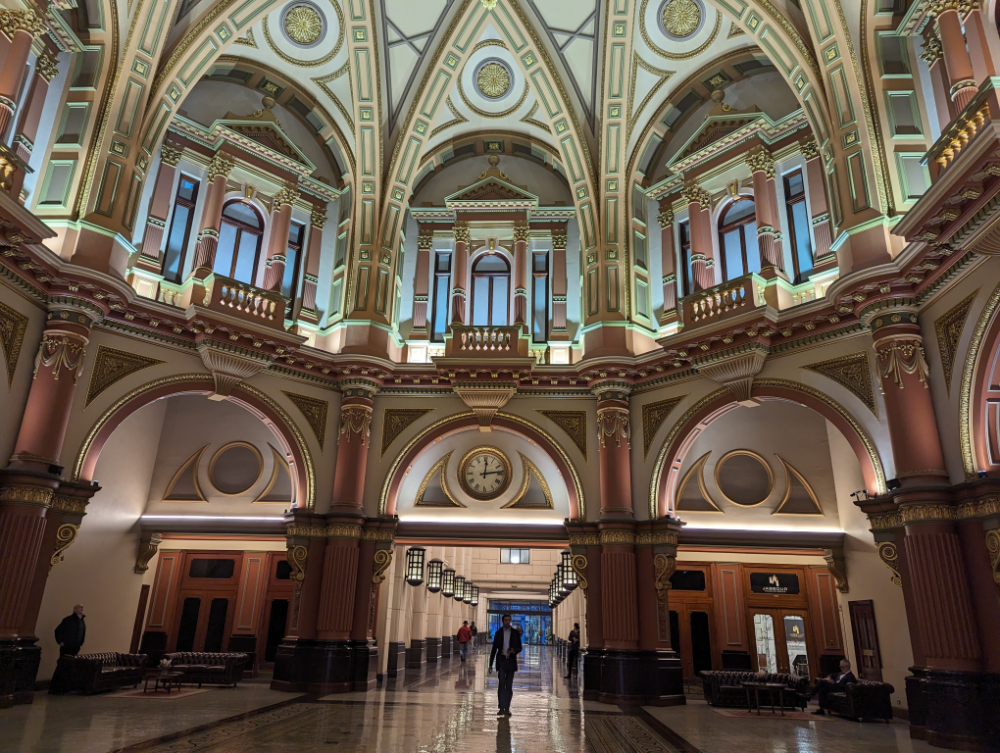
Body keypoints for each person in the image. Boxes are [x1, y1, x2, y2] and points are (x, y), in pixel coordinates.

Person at [488, 613, 523, 717]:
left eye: (509, 620)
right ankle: (501, 707)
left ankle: (507, 707)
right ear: (503, 621)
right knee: (501, 683)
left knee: (509, 685)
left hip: (511, 661)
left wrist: (514, 650)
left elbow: (519, 647)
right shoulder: (498, 633)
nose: (507, 622)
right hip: (502, 661)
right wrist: (490, 664)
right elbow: (494, 649)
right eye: (506, 620)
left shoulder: (515, 633)